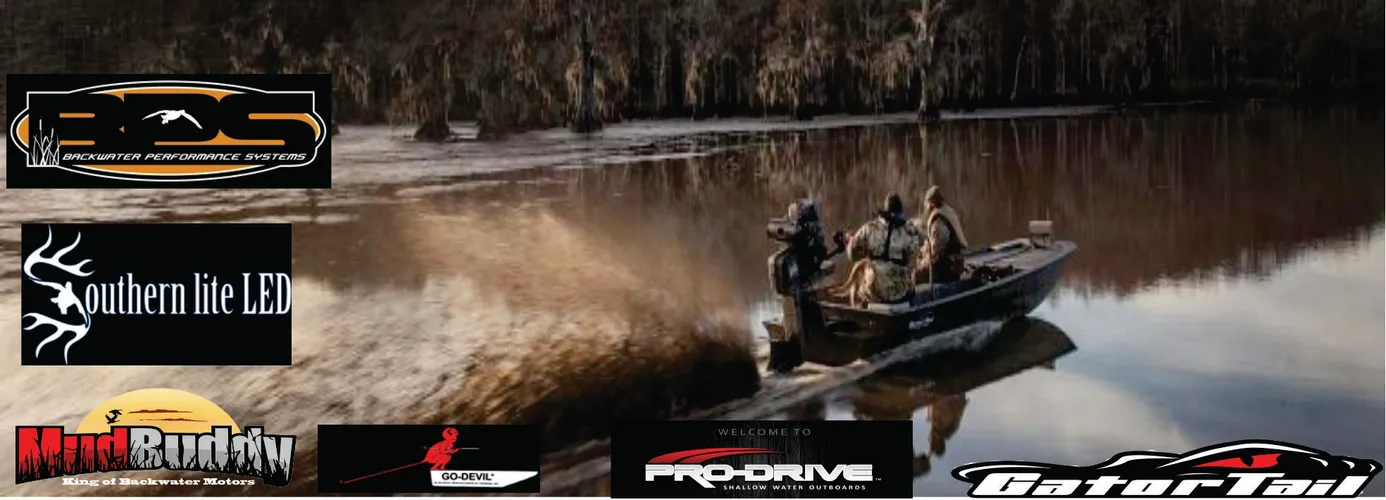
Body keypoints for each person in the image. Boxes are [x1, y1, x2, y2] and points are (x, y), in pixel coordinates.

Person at [843, 194, 925, 305]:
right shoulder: (908, 231)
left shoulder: (869, 228)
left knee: (859, 283)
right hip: (900, 291)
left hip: (874, 292)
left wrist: (850, 241)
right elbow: (920, 240)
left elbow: (852, 256)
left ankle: (859, 309)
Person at [915, 185, 970, 284]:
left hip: (947, 266)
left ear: (931, 203)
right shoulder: (947, 211)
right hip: (955, 261)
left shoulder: (938, 223)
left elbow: (936, 253)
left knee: (915, 274)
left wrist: (921, 263)